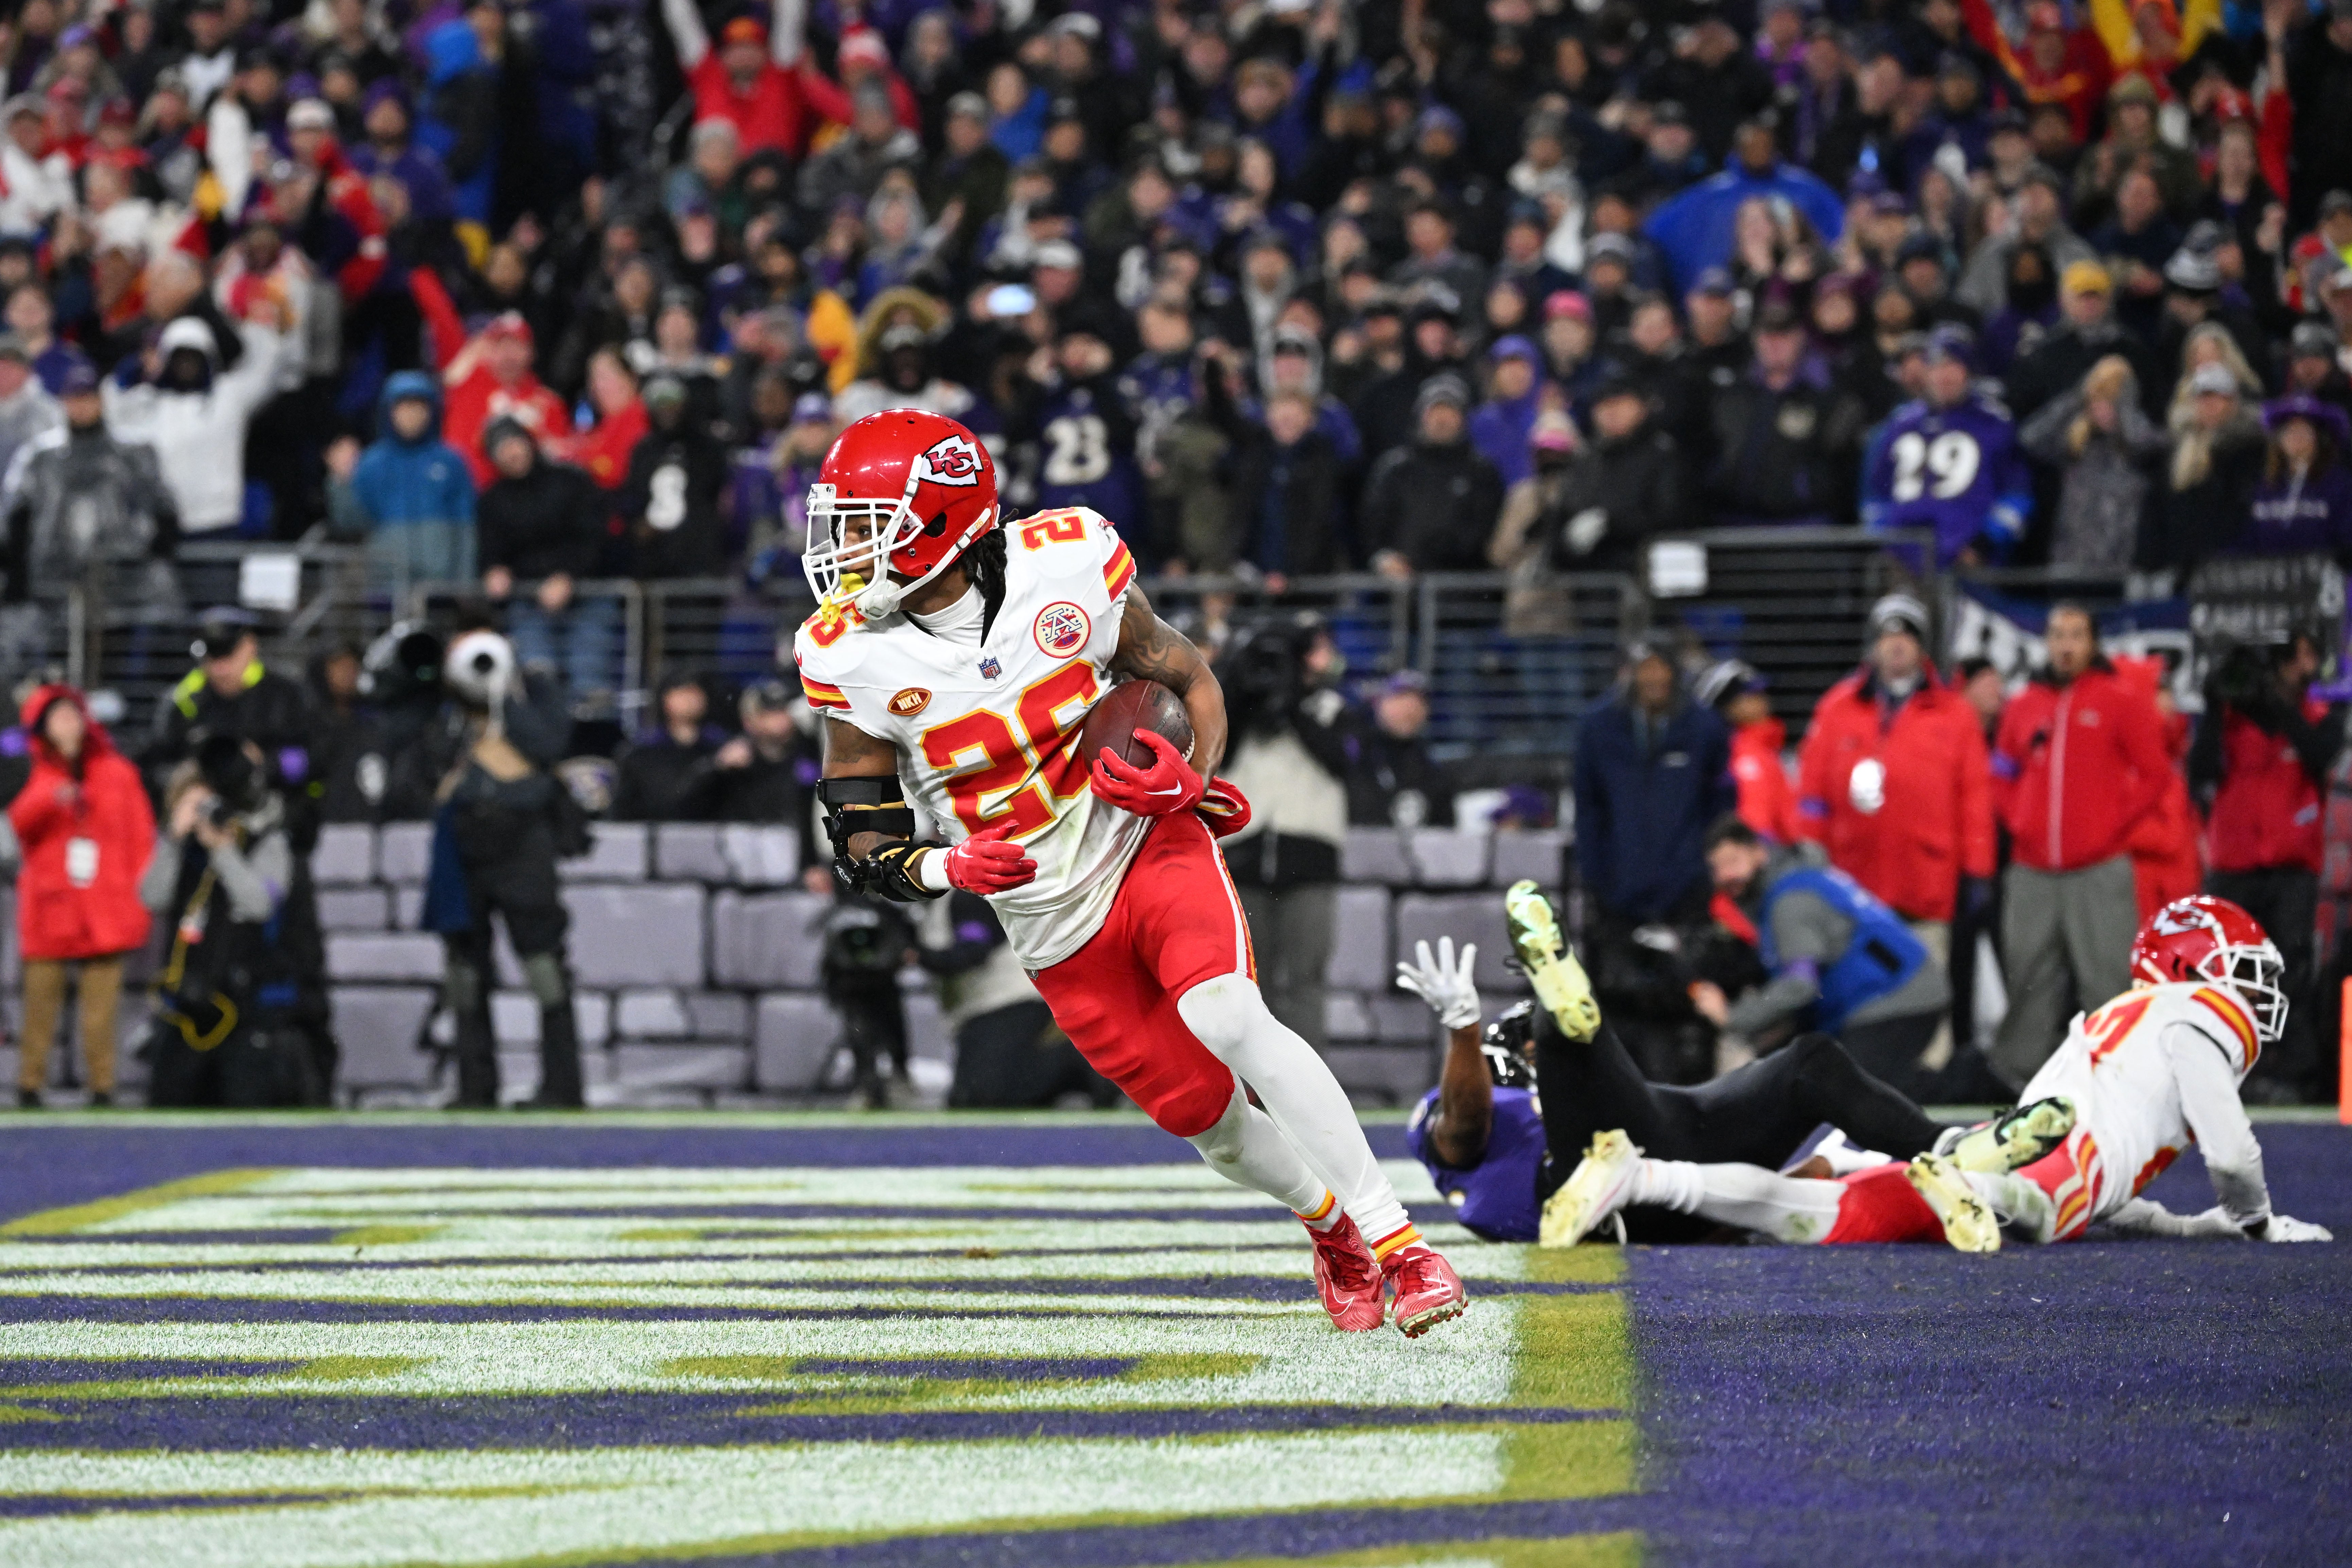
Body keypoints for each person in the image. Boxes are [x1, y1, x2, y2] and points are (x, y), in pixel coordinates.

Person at [794, 409, 1465, 1337]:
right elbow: (860, 834)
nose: (851, 545)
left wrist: (1198, 774)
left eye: (872, 520)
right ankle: (1332, 1227)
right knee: (1209, 1119)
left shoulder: (1065, 564)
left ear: (944, 517)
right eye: (848, 523)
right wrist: (946, 863)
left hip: (1141, 838)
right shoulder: (847, 654)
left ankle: (1401, 1244)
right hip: (1047, 917)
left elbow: (1190, 678)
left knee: (1227, 1012)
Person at [1547, 897, 2335, 1252]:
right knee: (2021, 1195)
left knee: (1816, 1210)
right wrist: (2255, 1220)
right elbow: (2227, 1152)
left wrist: (2189, 1224)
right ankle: (1961, 1170)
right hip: (2051, 1177)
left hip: (2040, 1154)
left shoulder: (2107, 1022)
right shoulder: (2196, 1015)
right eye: (2239, 970)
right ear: (2189, 967)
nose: (2252, 994)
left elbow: (2110, 1189)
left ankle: (1643, 1181)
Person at [1393, 887, 2071, 1244]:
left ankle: (1953, 1150)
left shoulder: (1552, 1077)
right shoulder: (1464, 1107)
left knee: (1807, 1061)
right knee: (1558, 1019)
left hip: (1673, 1138)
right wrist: (1462, 1029)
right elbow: (1465, 1125)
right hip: (1582, 1187)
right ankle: (1558, 1001)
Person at [1988, 603, 2174, 1086]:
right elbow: (2002, 773)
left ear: (2092, 643)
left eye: (2076, 634)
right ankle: (2019, 1083)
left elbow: (2155, 773)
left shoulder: (2120, 699)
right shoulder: (2023, 703)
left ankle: (2121, 1080)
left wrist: (2110, 826)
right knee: (2027, 976)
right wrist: (2019, 820)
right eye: (2056, 635)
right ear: (2045, 642)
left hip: (2099, 867)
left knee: (2108, 979)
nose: (2065, 645)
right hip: (2031, 869)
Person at [402, 623, 587, 1109]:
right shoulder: (449, 706)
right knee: (464, 970)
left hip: (523, 842)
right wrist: (457, 694)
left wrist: (504, 694)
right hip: (464, 842)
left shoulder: (535, 688)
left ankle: (562, 1088)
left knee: (544, 965)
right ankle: (474, 1088)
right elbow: (425, 762)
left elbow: (548, 745)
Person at [1794, 594, 1994, 1037]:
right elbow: (1812, 793)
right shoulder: (1838, 708)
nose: (1896, 645)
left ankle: (1928, 1089)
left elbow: (1975, 798)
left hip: (1925, 880)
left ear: (1923, 648)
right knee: (1857, 991)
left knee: (1930, 992)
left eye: (1906, 636)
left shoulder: (1955, 714)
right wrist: (1809, 857)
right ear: (1872, 645)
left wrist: (1977, 870)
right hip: (1854, 883)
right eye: (1887, 635)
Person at [1571, 639, 1736, 1084]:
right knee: (1621, 1004)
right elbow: (1589, 810)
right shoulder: (1598, 727)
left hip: (1684, 894)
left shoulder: (1703, 727)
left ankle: (1691, 1093)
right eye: (1645, 668)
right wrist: (1599, 880)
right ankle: (1625, 1092)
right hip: (1619, 896)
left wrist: (1701, 876)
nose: (1654, 678)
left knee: (1684, 1001)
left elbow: (1720, 808)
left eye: (1662, 668)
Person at [2190, 632, 2345, 1101]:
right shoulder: (2231, 725)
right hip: (2233, 867)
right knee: (2224, 976)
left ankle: (2294, 1074)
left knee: (2289, 972)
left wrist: (2276, 706)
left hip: (2291, 869)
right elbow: (2199, 773)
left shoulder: (2320, 717)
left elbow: (2320, 754)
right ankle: (2220, 1072)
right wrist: (2215, 709)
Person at [1699, 817, 1954, 1097]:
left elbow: (1801, 984)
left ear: (1759, 852)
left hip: (1895, 998)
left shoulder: (1788, 901)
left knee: (1857, 1095)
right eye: (1717, 867)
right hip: (1892, 992)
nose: (1725, 875)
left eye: (1733, 861)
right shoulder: (1798, 880)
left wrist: (1734, 1017)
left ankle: (1980, 1079)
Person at [141, 736, 312, 1107]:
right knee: (169, 1111)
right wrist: (173, 838)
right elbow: (151, 897)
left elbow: (260, 904)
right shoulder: (181, 847)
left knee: (242, 1109)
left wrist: (223, 850)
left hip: (242, 1007)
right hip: (183, 1006)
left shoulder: (266, 842)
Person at [1214, 614, 1356, 1052]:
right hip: (1244, 858)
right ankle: (1254, 1089)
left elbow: (1342, 761)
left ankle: (1311, 1091)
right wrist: (1243, 692)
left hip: (1310, 862)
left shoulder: (1334, 707)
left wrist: (1291, 701)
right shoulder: (1236, 710)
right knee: (1248, 982)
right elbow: (1220, 753)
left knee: (1306, 981)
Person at [8, 685, 153, 1108]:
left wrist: (134, 897)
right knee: (39, 1005)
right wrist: (52, 797)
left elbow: (140, 837)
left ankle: (103, 1087)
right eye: (58, 718)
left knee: (101, 1009)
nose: (68, 725)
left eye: (73, 715)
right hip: (50, 904)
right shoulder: (29, 772)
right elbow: (17, 826)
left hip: (105, 902)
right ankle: (30, 1084)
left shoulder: (117, 772)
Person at [0, 359, 178, 689]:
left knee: (119, 670)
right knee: (55, 672)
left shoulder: (133, 451)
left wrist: (153, 553)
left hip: (122, 581)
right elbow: (16, 517)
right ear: (63, 402)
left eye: (88, 397)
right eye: (75, 398)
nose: (82, 406)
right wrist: (19, 577)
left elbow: (164, 510)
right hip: (53, 584)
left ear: (101, 399)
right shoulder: (40, 456)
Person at [101, 309, 292, 536]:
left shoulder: (228, 397)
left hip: (219, 521)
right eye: (179, 358)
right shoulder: (152, 402)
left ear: (208, 358)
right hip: (167, 524)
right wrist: (129, 373)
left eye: (194, 357)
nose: (186, 366)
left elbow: (266, 371)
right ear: (168, 360)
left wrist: (260, 329)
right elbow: (113, 416)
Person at [921, 890, 1110, 1109]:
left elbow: (974, 950)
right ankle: (1087, 1061)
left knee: (982, 1097)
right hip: (1000, 1004)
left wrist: (919, 957)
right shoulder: (951, 897)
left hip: (1008, 1002)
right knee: (973, 1096)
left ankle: (1087, 1062)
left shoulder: (967, 895)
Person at [1861, 327, 2031, 567]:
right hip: (1904, 564)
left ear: (1968, 371)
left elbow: (2017, 496)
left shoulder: (1994, 424)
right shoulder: (1901, 425)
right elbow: (1875, 496)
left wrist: (1983, 544)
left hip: (1968, 565)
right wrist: (1886, 542)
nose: (1944, 376)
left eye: (1953, 365)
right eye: (1937, 366)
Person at [476, 418, 613, 706]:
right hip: (528, 599)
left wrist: (568, 577)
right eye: (502, 449)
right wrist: (494, 570)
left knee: (589, 671)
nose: (512, 453)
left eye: (515, 443)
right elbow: (491, 551)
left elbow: (596, 539)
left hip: (587, 591)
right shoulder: (493, 501)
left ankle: (591, 728)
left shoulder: (572, 481)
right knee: (537, 674)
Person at [146, 609, 314, 807]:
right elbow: (155, 766)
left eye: (229, 655)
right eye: (212, 657)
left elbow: (310, 760)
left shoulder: (285, 694)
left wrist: (265, 764)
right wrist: (190, 776)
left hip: (270, 808)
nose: (220, 669)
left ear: (251, 646)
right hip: (202, 807)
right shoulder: (184, 700)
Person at [329, 369, 477, 594]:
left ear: (433, 412)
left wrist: (465, 586)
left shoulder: (451, 462)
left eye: (420, 406)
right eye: (404, 406)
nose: (412, 414)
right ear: (389, 411)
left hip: (440, 587)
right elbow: (351, 523)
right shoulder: (371, 463)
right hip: (385, 586)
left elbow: (465, 528)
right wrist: (341, 483)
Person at [1359, 375, 1505, 577]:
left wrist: (1429, 557)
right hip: (1402, 589)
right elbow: (1373, 526)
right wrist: (1385, 558)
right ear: (1422, 416)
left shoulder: (1481, 472)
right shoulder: (1395, 468)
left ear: (1463, 418)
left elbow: (1483, 534)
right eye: (1435, 411)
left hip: (1462, 589)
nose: (1442, 419)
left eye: (1450, 411)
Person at [1694, 659, 1797, 845]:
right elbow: (1753, 818)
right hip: (1753, 856)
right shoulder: (1734, 752)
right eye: (1750, 695)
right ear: (1727, 706)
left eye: (1761, 693)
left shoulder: (1764, 748)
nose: (1763, 700)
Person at [612, 672, 727, 822]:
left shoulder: (720, 746)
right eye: (682, 692)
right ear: (665, 699)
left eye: (695, 692)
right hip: (656, 834)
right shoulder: (644, 752)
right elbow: (660, 802)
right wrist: (711, 766)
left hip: (709, 834)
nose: (690, 699)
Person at [1347, 669, 1451, 829]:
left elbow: (1445, 832)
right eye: (1401, 698)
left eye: (1418, 702)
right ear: (1380, 703)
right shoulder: (1354, 752)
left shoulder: (1431, 769)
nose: (1410, 709)